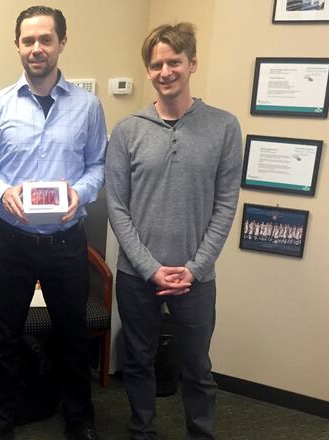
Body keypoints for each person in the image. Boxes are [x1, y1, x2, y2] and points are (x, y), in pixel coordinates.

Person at [0, 6, 107, 440]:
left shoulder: (88, 107)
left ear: (62, 42)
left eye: (45, 39)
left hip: (66, 241)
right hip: (13, 239)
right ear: (17, 46)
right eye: (28, 41)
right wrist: (1, 190)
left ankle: (79, 419)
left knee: (73, 332)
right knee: (3, 333)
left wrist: (79, 194)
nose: (37, 48)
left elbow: (98, 166)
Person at [105, 22, 242, 440]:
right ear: (148, 70)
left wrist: (195, 268)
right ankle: (142, 430)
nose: (165, 71)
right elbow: (116, 206)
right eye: (156, 64)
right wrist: (149, 268)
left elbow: (225, 206)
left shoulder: (224, 127)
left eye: (174, 62)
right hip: (136, 276)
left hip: (195, 279)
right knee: (139, 361)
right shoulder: (128, 130)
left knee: (197, 367)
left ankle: (201, 432)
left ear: (192, 63)